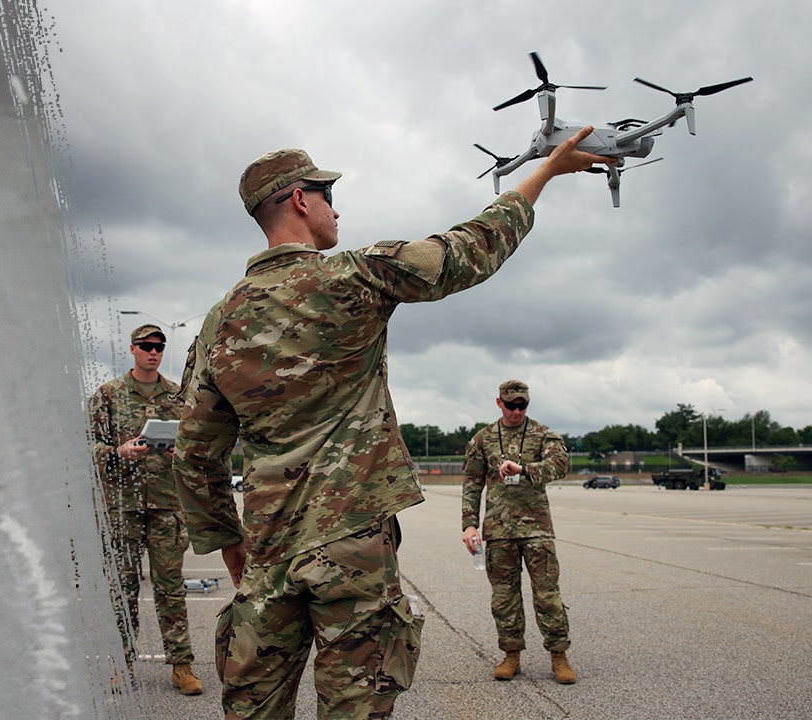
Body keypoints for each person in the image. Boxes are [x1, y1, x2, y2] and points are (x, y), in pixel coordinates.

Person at [173, 127, 612, 719]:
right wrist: (545, 174)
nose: (335, 207)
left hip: (268, 552)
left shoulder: (219, 321)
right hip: (352, 542)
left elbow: (195, 454)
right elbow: (466, 249)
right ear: (300, 200)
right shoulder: (352, 277)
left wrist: (230, 545)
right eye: (326, 194)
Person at [88, 324, 203, 696]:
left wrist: (177, 452)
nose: (153, 352)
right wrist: (118, 452)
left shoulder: (177, 397)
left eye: (159, 346)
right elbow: (85, 448)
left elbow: (196, 448)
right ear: (133, 350)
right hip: (121, 507)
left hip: (166, 506)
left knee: (171, 588)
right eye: (146, 346)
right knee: (121, 588)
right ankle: (121, 667)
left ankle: (181, 666)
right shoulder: (108, 396)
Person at [461, 380, 575, 684]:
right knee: (504, 598)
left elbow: (560, 463)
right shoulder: (483, 439)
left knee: (547, 594)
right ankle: (511, 655)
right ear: (499, 403)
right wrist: (469, 525)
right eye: (510, 405)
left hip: (536, 528)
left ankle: (559, 655)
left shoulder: (543, 434)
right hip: (498, 530)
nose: (516, 410)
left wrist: (525, 470)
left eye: (522, 405)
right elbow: (472, 483)